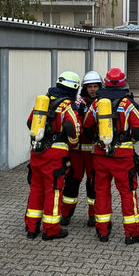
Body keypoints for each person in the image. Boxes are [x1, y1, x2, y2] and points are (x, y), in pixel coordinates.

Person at [82, 68, 139, 244]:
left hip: (100, 157)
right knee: (127, 193)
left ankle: (102, 231)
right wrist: (126, 142)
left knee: (101, 191)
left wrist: (100, 140)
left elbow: (87, 127)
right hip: (122, 158)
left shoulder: (96, 103)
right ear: (124, 83)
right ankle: (132, 233)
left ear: (106, 83)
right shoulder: (129, 104)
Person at [25, 71, 81, 241]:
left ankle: (31, 228)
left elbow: (30, 122)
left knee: (36, 189)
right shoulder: (67, 106)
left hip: (37, 153)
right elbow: (72, 127)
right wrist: (73, 143)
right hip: (55, 157)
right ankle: (51, 229)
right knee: (54, 191)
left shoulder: (43, 102)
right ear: (73, 89)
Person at [60, 70, 102, 227]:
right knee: (71, 183)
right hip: (77, 152)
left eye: (96, 86)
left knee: (94, 184)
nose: (93, 89)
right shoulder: (77, 104)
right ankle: (65, 214)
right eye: (90, 86)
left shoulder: (103, 104)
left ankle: (93, 215)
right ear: (85, 88)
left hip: (93, 152)